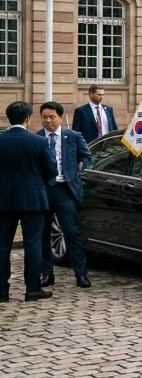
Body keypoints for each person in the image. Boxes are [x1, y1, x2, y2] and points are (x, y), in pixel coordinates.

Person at [2, 101, 57, 301]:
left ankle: (1, 290)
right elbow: (51, 171)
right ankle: (33, 288)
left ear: (9, 119)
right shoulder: (39, 142)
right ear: (28, 118)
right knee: (33, 245)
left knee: (2, 245)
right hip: (33, 199)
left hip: (3, 199)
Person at [36, 102, 91, 289]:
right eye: (44, 117)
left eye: (52, 117)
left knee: (71, 233)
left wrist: (79, 172)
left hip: (65, 190)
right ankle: (47, 273)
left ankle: (81, 274)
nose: (48, 121)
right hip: (44, 190)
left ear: (60, 118)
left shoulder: (73, 136)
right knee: (43, 234)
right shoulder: (36, 138)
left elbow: (86, 156)